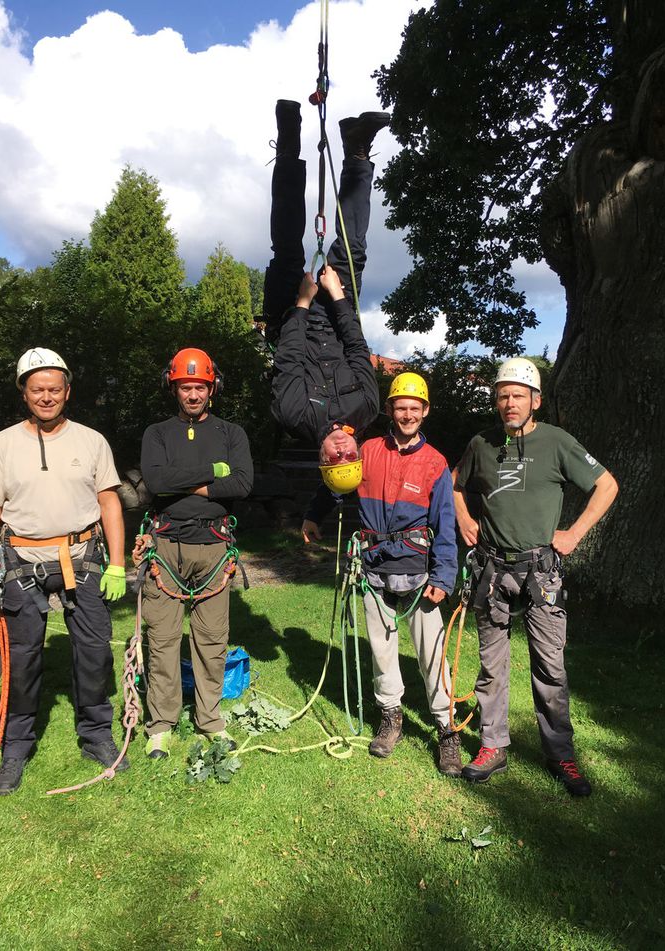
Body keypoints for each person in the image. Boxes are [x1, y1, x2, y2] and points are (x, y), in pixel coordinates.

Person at [452, 357, 619, 796]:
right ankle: (492, 746)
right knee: (491, 665)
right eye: (503, 395)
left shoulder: (557, 442)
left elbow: (607, 485)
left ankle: (560, 755)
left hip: (540, 570)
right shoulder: (482, 444)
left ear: (535, 400)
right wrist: (465, 519)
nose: (509, 402)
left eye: (518, 395)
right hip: (492, 568)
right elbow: (453, 484)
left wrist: (576, 532)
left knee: (550, 666)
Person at [302, 372, 462, 776]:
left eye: (414, 408)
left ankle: (446, 728)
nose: (407, 414)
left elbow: (446, 523)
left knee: (432, 653)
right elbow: (335, 482)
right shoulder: (368, 450)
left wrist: (444, 577)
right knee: (381, 647)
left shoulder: (435, 463)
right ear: (390, 410)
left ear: (424, 412)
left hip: (418, 571)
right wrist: (313, 516)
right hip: (374, 567)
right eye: (400, 407)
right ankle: (391, 716)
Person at [0, 348, 127, 795]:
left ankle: (96, 736)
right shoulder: (3, 443)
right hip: (20, 561)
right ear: (24, 393)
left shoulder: (91, 441)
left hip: (83, 556)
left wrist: (116, 562)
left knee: (94, 652)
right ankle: (15, 748)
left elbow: (109, 501)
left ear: (67, 391)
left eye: (55, 389)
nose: (47, 397)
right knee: (22, 657)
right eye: (38, 390)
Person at [139, 348, 253, 759]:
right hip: (166, 546)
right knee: (164, 639)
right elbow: (155, 481)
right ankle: (161, 724)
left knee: (210, 639)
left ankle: (209, 719)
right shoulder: (157, 433)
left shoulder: (231, 433)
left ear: (212, 388)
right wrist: (213, 471)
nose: (192, 394)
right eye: (185, 387)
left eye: (199, 387)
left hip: (214, 548)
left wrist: (182, 484)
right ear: (174, 388)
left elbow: (242, 484)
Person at [263, 99, 384, 460]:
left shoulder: (294, 415)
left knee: (286, 248)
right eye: (352, 458)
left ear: (322, 457)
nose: (343, 452)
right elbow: (358, 349)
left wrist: (302, 303)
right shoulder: (366, 409)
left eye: (336, 461)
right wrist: (338, 298)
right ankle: (357, 152)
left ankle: (287, 146)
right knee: (354, 247)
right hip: (336, 317)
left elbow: (289, 359)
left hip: (289, 319)